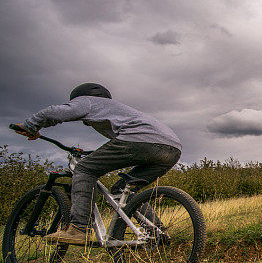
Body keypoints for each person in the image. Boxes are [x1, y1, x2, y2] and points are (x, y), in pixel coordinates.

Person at [13, 83, 182, 245]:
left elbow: (54, 112)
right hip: (172, 147)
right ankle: (156, 230)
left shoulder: (87, 101)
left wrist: (30, 126)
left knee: (85, 169)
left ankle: (78, 229)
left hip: (138, 140)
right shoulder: (118, 110)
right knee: (124, 190)